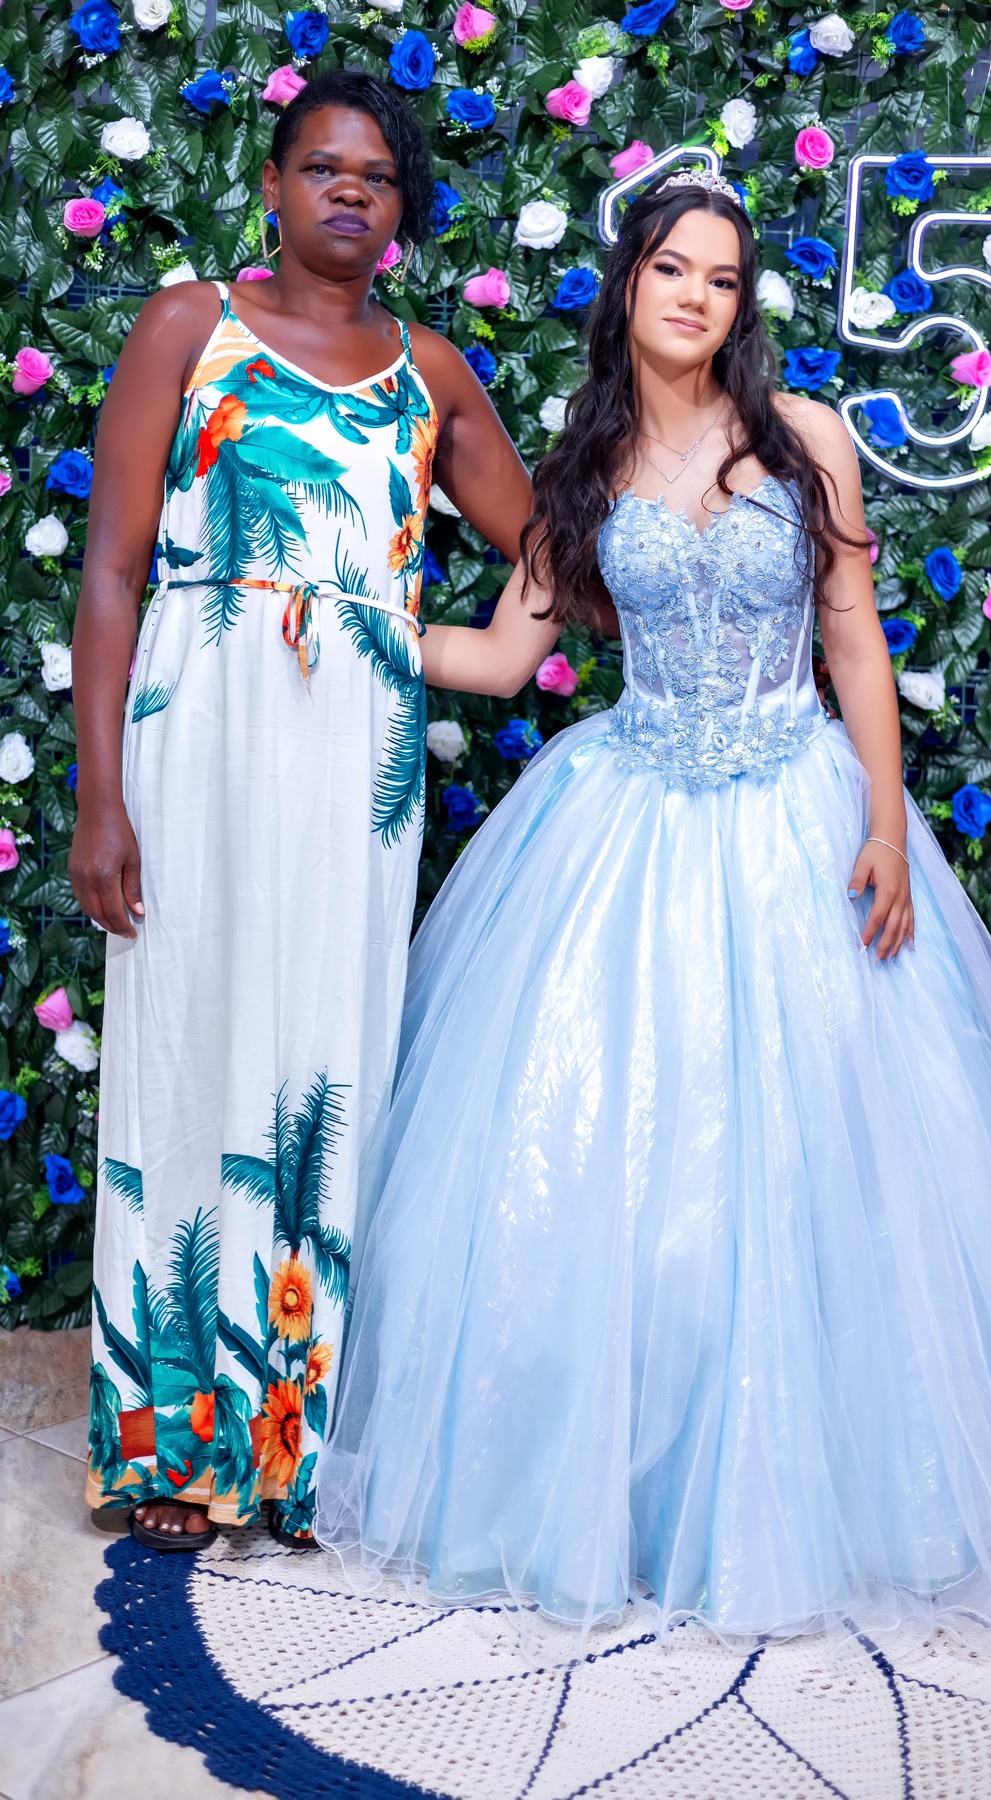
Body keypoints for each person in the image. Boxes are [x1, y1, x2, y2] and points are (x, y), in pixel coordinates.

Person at [315, 170, 991, 1644]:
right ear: (628, 285)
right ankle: (619, 1501)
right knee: (619, 1164)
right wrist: (350, 618)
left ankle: (837, 1500)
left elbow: (855, 643)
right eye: (672, 269)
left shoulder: (806, 441)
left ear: (740, 304)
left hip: (797, 813)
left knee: (828, 1164)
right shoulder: (584, 471)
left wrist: (886, 826)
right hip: (631, 818)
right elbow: (505, 661)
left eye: (721, 277)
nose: (696, 297)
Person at [71, 70, 535, 1551]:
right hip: (194, 738)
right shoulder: (185, 328)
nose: (349, 190)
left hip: (355, 760)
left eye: (377, 176)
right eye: (322, 167)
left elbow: (554, 546)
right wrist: (99, 794)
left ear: (402, 212)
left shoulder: (429, 372)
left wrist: (444, 641)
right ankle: (170, 1446)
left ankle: (295, 1453)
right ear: (272, 186)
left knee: (329, 1066)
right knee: (186, 1049)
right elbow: (111, 572)